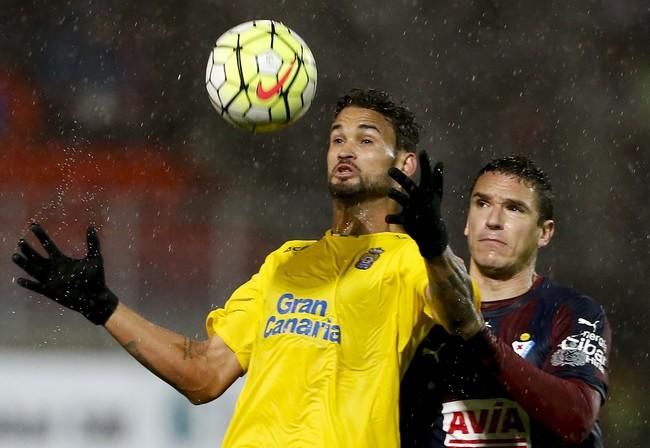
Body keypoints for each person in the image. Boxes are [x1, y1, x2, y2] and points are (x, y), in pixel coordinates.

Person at [12, 88, 484, 448]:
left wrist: (434, 245)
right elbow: (205, 374)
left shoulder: (414, 262)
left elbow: (464, 318)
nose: (345, 149)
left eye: (365, 139)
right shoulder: (286, 263)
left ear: (404, 163)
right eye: (337, 138)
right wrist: (103, 306)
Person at [400, 155, 611, 447]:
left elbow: (576, 417)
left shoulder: (571, 311)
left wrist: (477, 336)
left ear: (545, 232)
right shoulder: (419, 311)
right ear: (466, 221)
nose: (493, 221)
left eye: (514, 208)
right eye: (482, 204)